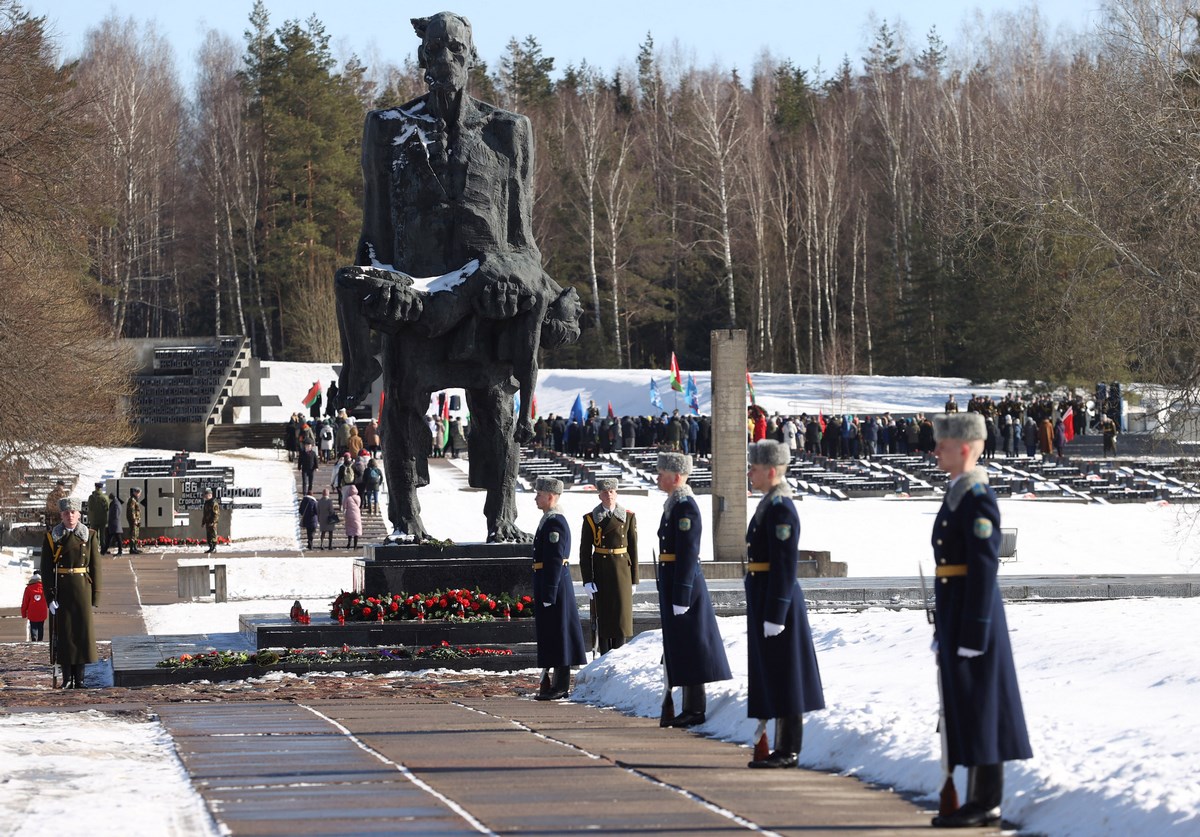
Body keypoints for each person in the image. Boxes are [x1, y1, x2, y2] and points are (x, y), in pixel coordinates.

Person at [334, 11, 581, 543]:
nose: (446, 60)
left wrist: (516, 277)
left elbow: (523, 241)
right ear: (423, 57)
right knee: (402, 404)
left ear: (471, 59)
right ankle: (407, 520)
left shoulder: (508, 131)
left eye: (457, 51)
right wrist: (382, 281)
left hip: (483, 303)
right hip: (418, 302)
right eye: (436, 49)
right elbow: (374, 233)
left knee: (497, 408)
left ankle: (503, 516)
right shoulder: (388, 129)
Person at [929, 412, 1032, 828]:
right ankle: (975, 797)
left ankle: (986, 800)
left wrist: (973, 628)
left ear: (966, 449)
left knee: (982, 705)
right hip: (957, 612)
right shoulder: (957, 492)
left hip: (976, 616)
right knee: (967, 705)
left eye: (944, 444)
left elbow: (983, 566)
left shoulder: (977, 498)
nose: (935, 450)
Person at [744, 440, 825, 768]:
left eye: (754, 468)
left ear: (771, 471)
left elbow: (784, 563)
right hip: (765, 595)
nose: (750, 473)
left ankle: (788, 748)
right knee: (775, 673)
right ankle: (780, 746)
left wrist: (776, 609)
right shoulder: (769, 503)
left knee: (786, 674)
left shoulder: (781, 508)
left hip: (778, 600)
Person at [655, 451, 731, 727]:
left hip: (683, 583)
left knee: (691, 644)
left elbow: (688, 552)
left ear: (676, 477)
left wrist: (682, 592)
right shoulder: (673, 505)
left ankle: (695, 708)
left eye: (662, 473)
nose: (657, 477)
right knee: (682, 644)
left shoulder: (684, 506)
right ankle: (689, 706)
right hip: (673, 582)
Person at [531, 476, 586, 699]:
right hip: (549, 582)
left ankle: (560, 686)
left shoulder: (555, 522)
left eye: (539, 494)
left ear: (551, 497)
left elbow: (554, 559)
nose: (536, 498)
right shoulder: (548, 519)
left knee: (560, 634)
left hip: (554, 584)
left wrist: (550, 590)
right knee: (553, 633)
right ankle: (556, 683)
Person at [41, 497, 100, 688]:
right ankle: (67, 678)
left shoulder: (89, 535)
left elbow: (95, 567)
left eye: (73, 512)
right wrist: (49, 597)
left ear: (79, 514)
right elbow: (46, 569)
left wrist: (95, 595)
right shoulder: (52, 537)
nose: (70, 516)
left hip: (82, 588)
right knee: (65, 634)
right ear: (61, 515)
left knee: (81, 633)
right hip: (62, 590)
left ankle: (80, 678)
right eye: (66, 513)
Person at [579, 477, 638, 653]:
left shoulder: (628, 516)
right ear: (600, 496)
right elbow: (584, 552)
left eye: (612, 491)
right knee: (604, 616)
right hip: (601, 570)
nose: (609, 495)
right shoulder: (591, 519)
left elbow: (633, 549)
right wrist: (587, 580)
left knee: (622, 617)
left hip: (622, 571)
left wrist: (634, 579)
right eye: (605, 492)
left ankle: (620, 654)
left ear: (616, 493)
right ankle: (604, 654)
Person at [21, 571, 48, 641]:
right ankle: (40, 640)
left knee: (33, 626)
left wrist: (23, 613)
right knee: (40, 626)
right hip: (42, 611)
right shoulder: (45, 587)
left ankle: (34, 638)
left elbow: (25, 602)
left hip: (32, 611)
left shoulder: (28, 588)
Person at [87, 482, 109, 555]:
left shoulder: (91, 497)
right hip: (102, 519)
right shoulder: (104, 497)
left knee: (94, 535)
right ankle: (103, 549)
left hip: (93, 519)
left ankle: (94, 549)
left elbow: (89, 507)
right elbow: (107, 508)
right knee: (102, 535)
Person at [343, 485, 363, 549]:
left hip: (349, 515)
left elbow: (344, 506)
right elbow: (359, 505)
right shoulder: (358, 498)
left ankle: (349, 543)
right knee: (356, 530)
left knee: (350, 529)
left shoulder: (348, 498)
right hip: (357, 514)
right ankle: (355, 545)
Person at [202, 488, 220, 553]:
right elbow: (205, 513)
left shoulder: (213, 503)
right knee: (208, 535)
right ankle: (211, 547)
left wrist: (213, 522)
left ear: (210, 495)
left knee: (213, 535)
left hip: (212, 523)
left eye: (206, 495)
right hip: (207, 522)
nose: (205, 497)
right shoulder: (206, 503)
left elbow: (216, 514)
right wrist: (203, 521)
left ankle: (214, 547)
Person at [126, 487, 143, 554]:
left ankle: (135, 547)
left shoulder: (135, 499)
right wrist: (134, 520)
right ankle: (132, 548)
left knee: (136, 533)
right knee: (133, 533)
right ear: (135, 492)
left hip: (136, 519)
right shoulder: (132, 500)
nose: (139, 495)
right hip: (133, 520)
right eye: (138, 493)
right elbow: (132, 511)